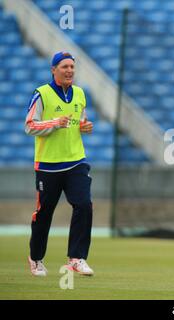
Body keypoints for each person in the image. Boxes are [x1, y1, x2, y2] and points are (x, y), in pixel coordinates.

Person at [25, 51, 94, 276]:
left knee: (84, 205)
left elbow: (79, 120)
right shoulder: (41, 94)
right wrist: (55, 123)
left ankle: (76, 258)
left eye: (72, 67)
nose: (69, 71)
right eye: (64, 67)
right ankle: (36, 259)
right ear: (53, 69)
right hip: (48, 165)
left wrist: (84, 126)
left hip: (76, 161)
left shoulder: (80, 93)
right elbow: (29, 126)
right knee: (44, 214)